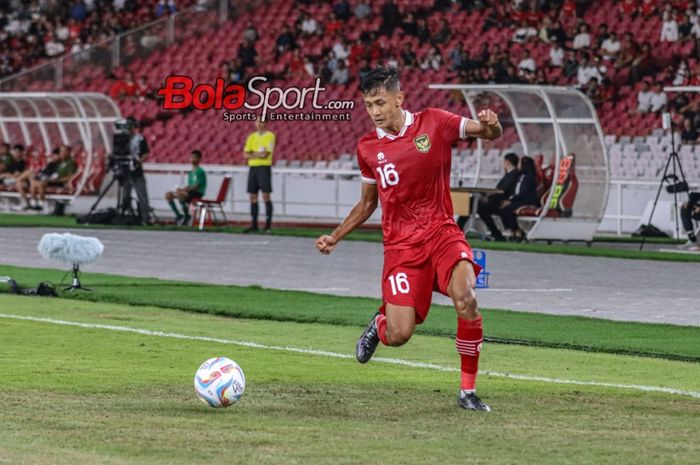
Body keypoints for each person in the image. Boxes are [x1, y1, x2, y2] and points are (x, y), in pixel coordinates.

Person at [315, 67, 502, 411]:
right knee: (399, 335)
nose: (374, 111)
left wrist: (491, 124)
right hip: (401, 248)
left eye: (380, 102)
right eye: (369, 104)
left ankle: (467, 392)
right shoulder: (368, 148)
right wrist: (336, 236)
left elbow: (488, 132)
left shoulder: (434, 122)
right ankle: (379, 323)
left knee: (467, 298)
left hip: (442, 233)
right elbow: (368, 203)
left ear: (399, 98)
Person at [472, 152, 520, 241]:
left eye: (504, 162)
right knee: (472, 204)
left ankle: (496, 234)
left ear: (507, 162)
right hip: (497, 199)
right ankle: (495, 233)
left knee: (481, 209)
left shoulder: (513, 174)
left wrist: (489, 196)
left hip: (500, 202)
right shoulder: (509, 174)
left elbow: (503, 190)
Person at [243, 117, 275, 233]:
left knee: (266, 195)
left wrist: (253, 153)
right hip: (253, 168)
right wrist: (257, 154)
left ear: (266, 123)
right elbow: (245, 154)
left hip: (264, 168)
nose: (259, 124)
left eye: (262, 122)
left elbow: (265, 155)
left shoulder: (270, 136)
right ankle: (254, 224)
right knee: (253, 196)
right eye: (258, 121)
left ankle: (268, 224)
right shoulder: (251, 136)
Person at [498, 156, 539, 242]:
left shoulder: (529, 177)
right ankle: (514, 231)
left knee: (507, 209)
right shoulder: (520, 176)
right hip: (519, 200)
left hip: (526, 201)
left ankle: (517, 231)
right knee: (502, 208)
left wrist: (511, 201)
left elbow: (523, 193)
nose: (518, 165)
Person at [23, 145, 77, 212]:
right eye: (61, 151)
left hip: (59, 182)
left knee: (36, 183)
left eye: (64, 151)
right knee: (35, 184)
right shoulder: (60, 162)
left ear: (69, 152)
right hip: (51, 180)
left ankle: (37, 205)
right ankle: (36, 204)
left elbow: (71, 176)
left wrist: (58, 180)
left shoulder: (70, 163)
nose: (62, 153)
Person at [121, 117, 152, 225]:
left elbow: (146, 153)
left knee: (142, 195)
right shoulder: (122, 139)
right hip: (125, 171)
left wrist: (138, 162)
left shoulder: (139, 138)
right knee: (125, 196)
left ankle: (145, 218)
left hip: (136, 171)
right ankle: (127, 216)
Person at [165, 150, 207, 225]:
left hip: (197, 193)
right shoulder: (191, 172)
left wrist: (183, 190)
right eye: (191, 157)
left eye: (194, 157)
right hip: (190, 192)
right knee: (168, 195)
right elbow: (190, 185)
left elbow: (196, 186)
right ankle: (179, 216)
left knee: (181, 195)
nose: (192, 159)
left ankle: (187, 216)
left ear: (199, 159)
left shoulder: (200, 171)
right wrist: (181, 189)